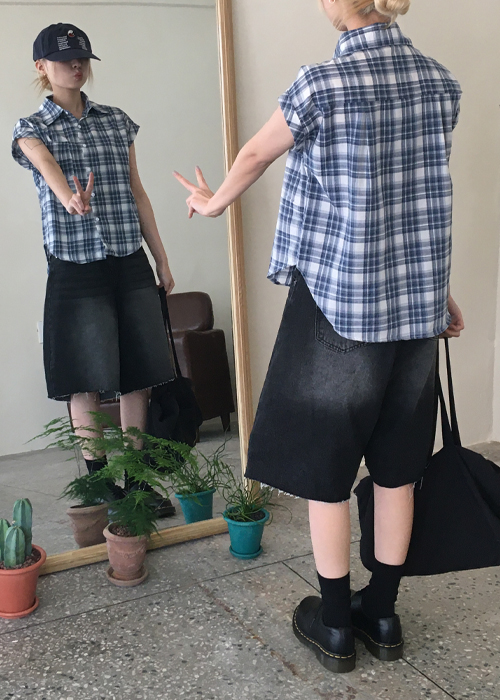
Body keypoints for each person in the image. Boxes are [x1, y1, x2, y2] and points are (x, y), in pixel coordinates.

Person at [174, 0, 465, 673]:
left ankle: (335, 625)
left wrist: (212, 202)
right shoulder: (439, 81)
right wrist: (439, 290)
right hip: (415, 310)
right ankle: (383, 616)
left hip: (341, 306)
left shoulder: (320, 85)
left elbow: (256, 152)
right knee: (398, 470)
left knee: (323, 467)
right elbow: (418, 199)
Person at [13, 23, 176, 515]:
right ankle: (100, 482)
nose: (76, 66)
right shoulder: (30, 128)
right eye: (65, 59)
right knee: (83, 376)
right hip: (74, 264)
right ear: (42, 67)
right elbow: (44, 164)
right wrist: (69, 197)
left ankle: (137, 478)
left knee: (139, 373)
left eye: (82, 57)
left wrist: (161, 256)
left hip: (128, 257)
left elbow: (137, 191)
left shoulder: (117, 121)